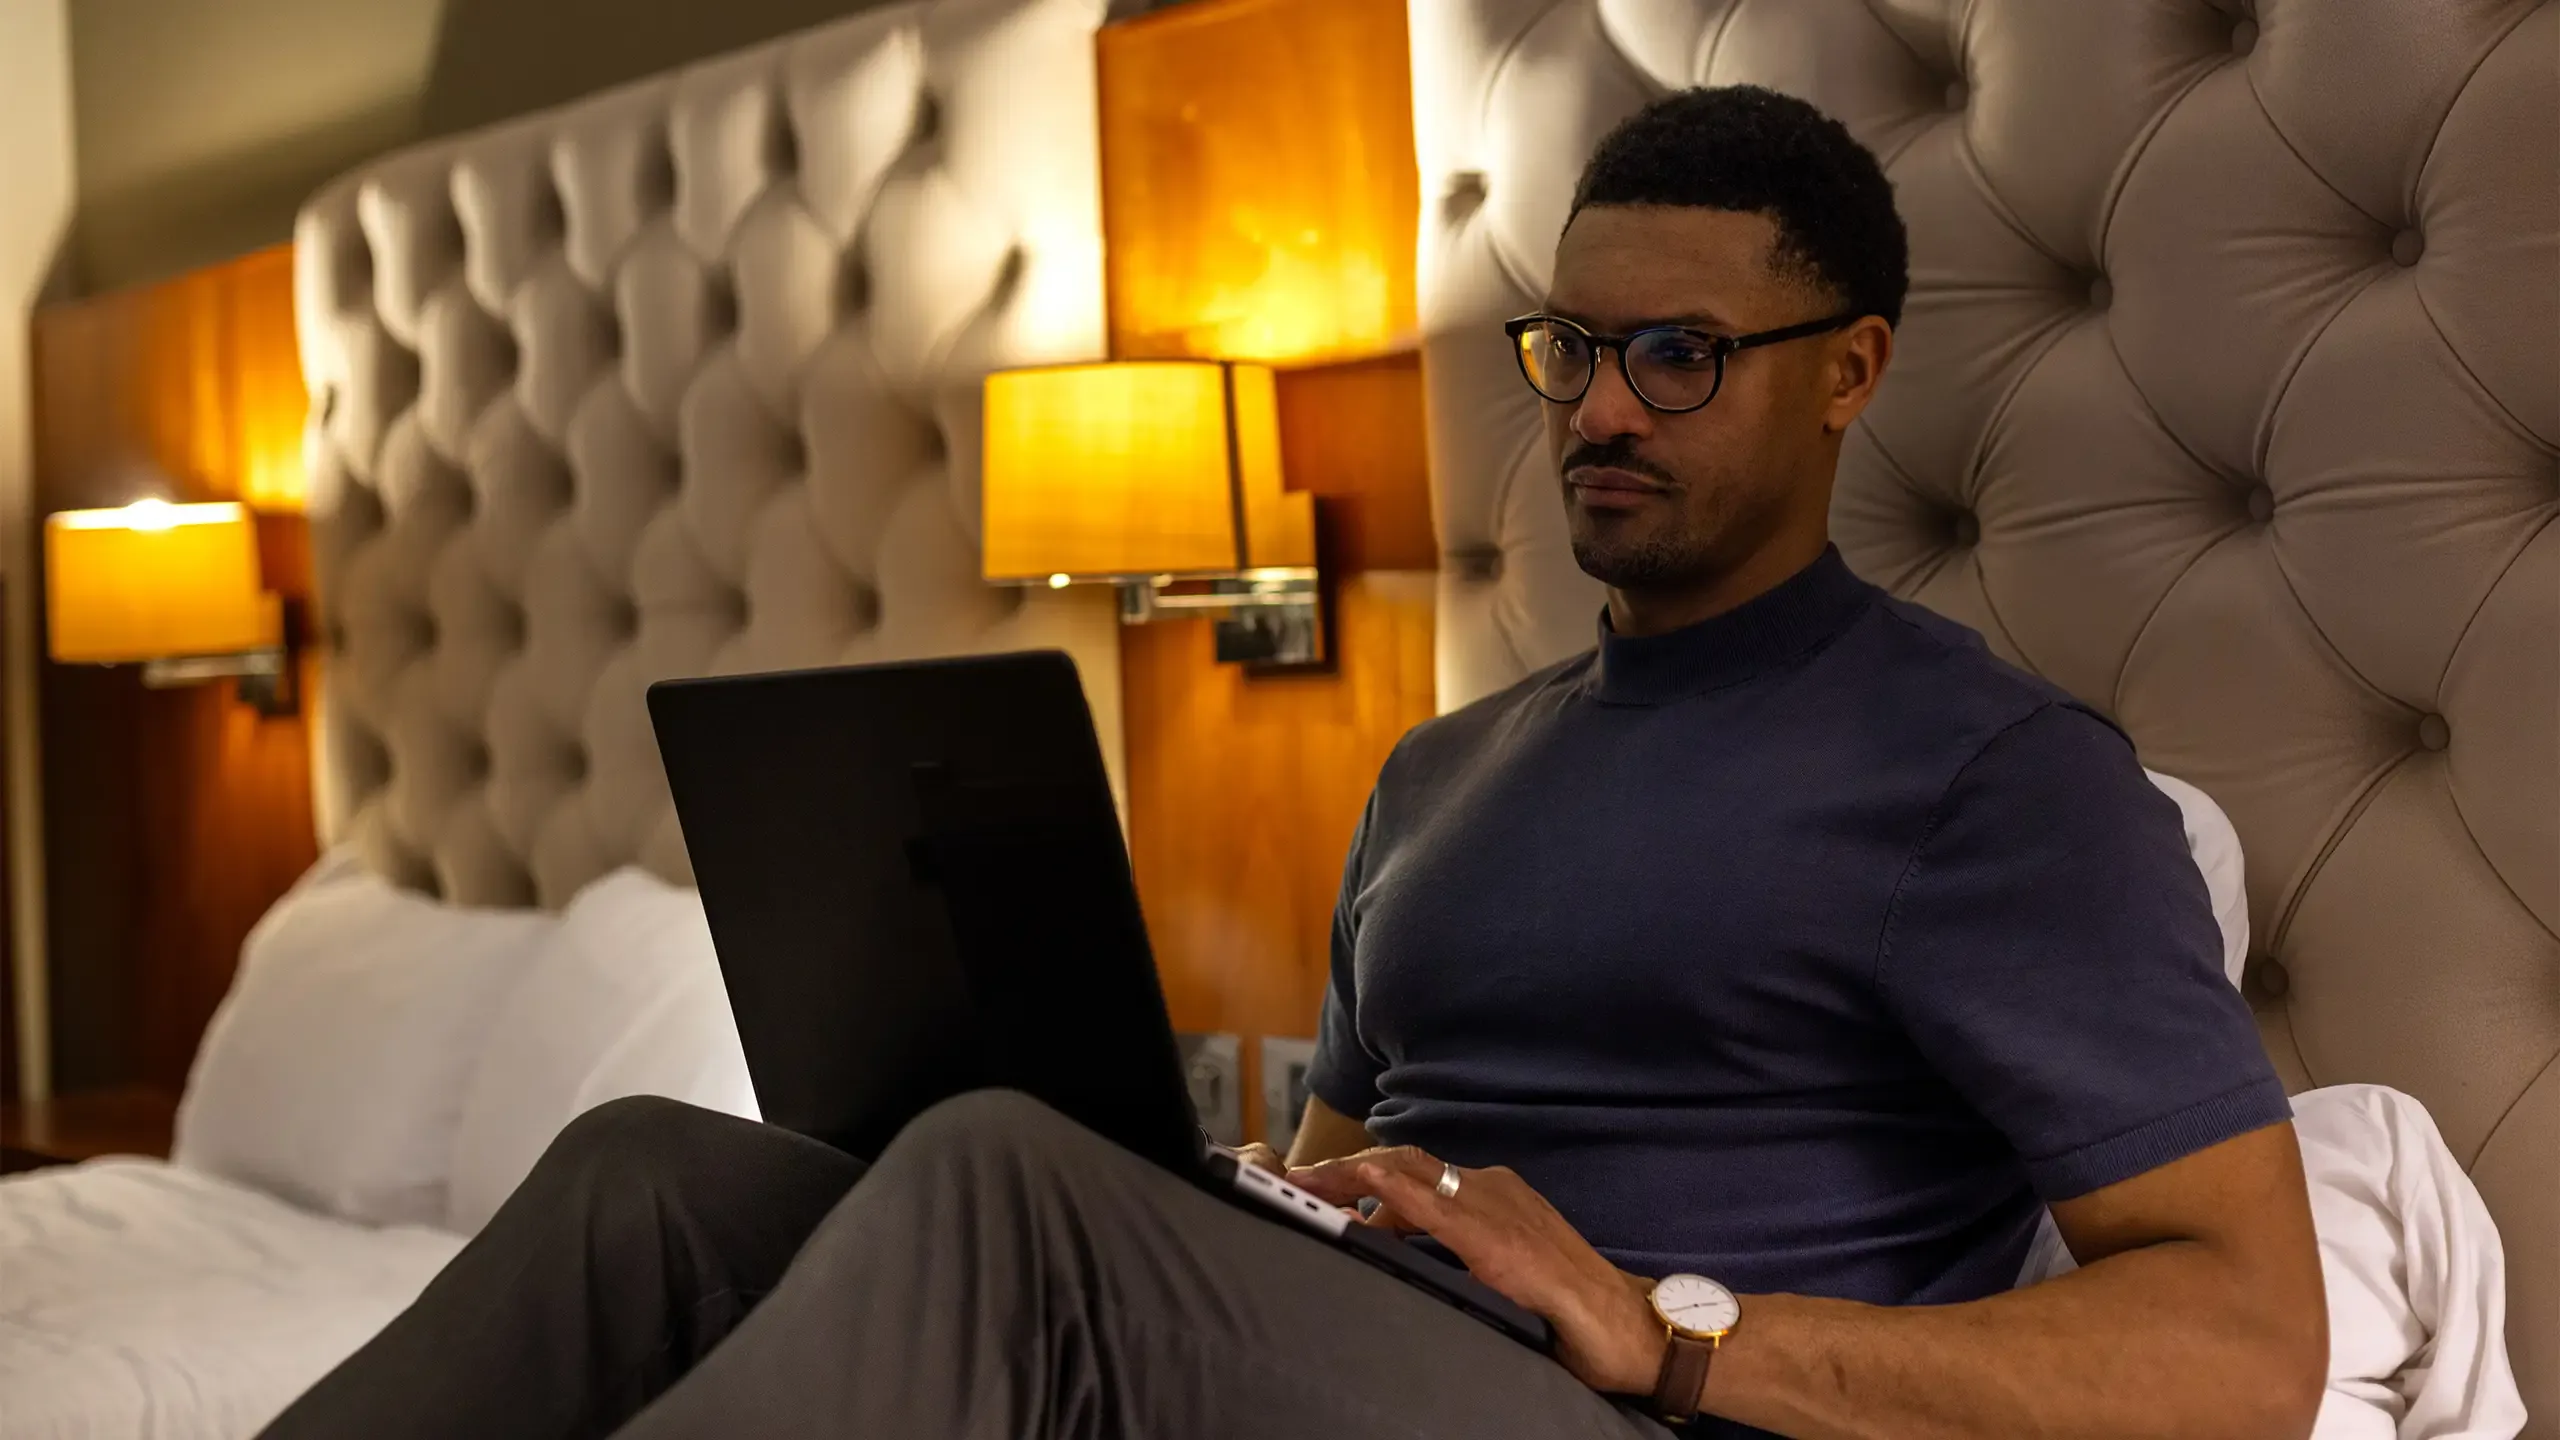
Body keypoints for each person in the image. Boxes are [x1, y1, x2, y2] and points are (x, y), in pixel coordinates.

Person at [262, 86, 2326, 1440]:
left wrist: (1675, 1328)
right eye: (1569, 350)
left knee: (1002, 1189)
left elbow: (2246, 1339)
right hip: (1366, 1354)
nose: (1599, 408)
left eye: (1675, 356)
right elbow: (1332, 1178)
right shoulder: (1440, 774)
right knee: (651, 1177)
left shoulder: (1991, 777)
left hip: (1634, 1404)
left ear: (1847, 373)